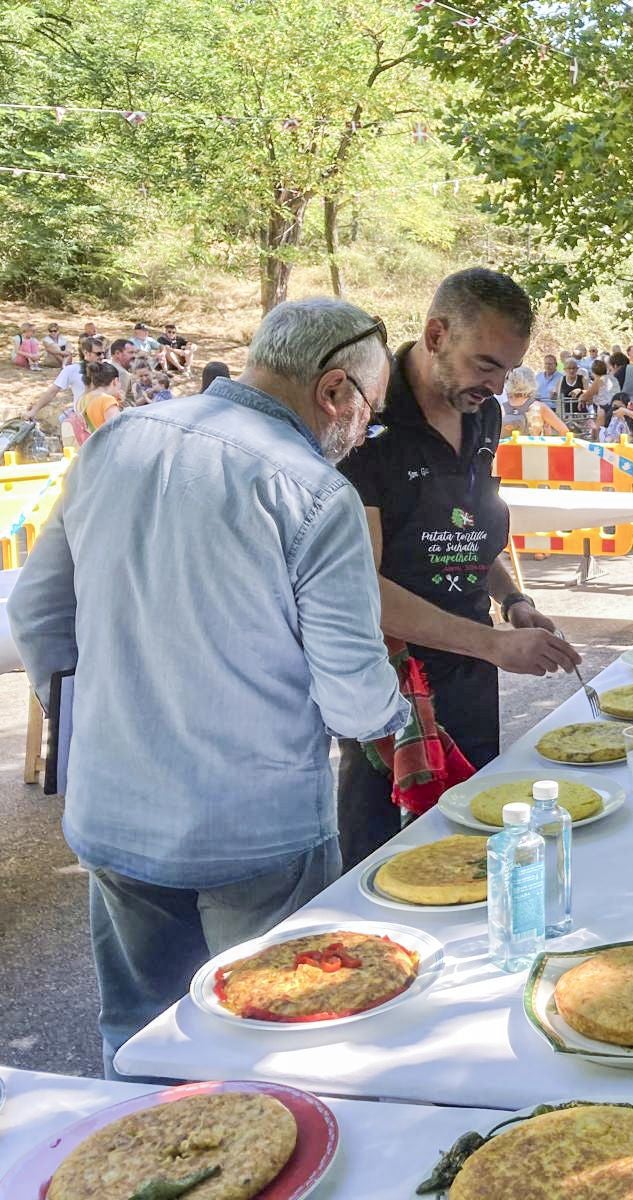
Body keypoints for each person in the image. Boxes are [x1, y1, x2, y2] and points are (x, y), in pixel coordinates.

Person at [10, 297, 409, 1078]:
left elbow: (38, 613)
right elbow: (354, 697)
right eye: (370, 414)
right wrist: (400, 718)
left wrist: (98, 711)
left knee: (138, 1037)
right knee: (280, 1042)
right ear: (334, 392)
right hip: (254, 829)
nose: (364, 435)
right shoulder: (312, 490)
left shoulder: (115, 440)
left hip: (115, 809)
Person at [336, 269, 582, 867]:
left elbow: (471, 535)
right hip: (389, 685)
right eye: (485, 365)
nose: (496, 386)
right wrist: (495, 645)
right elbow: (360, 587)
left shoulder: (483, 416)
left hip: (470, 676)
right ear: (436, 333)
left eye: (507, 371)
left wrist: (514, 601)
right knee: (385, 863)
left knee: (475, 852)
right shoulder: (362, 418)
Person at [28, 336, 106, 426]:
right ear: (86, 353)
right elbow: (52, 392)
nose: (102, 356)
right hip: (83, 420)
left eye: (103, 353)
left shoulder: (108, 369)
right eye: (98, 354)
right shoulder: (72, 370)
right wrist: (34, 411)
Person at [500, 365, 570, 437]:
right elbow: (564, 431)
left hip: (506, 448)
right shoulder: (539, 407)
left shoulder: (502, 408)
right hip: (533, 447)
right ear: (532, 382)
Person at [73, 362, 123, 443]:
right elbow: (116, 432)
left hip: (89, 448)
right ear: (115, 381)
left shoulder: (83, 399)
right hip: (105, 449)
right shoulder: (107, 400)